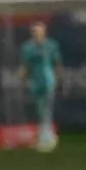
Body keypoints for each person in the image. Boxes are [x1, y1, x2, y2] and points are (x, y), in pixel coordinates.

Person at [22, 20, 62, 151]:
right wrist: (24, 78)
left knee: (47, 108)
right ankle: (46, 136)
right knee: (40, 109)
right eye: (35, 31)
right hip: (36, 81)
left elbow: (57, 63)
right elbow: (25, 66)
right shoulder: (28, 47)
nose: (38, 33)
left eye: (40, 31)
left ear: (44, 32)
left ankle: (47, 138)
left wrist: (60, 78)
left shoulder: (51, 45)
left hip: (49, 80)